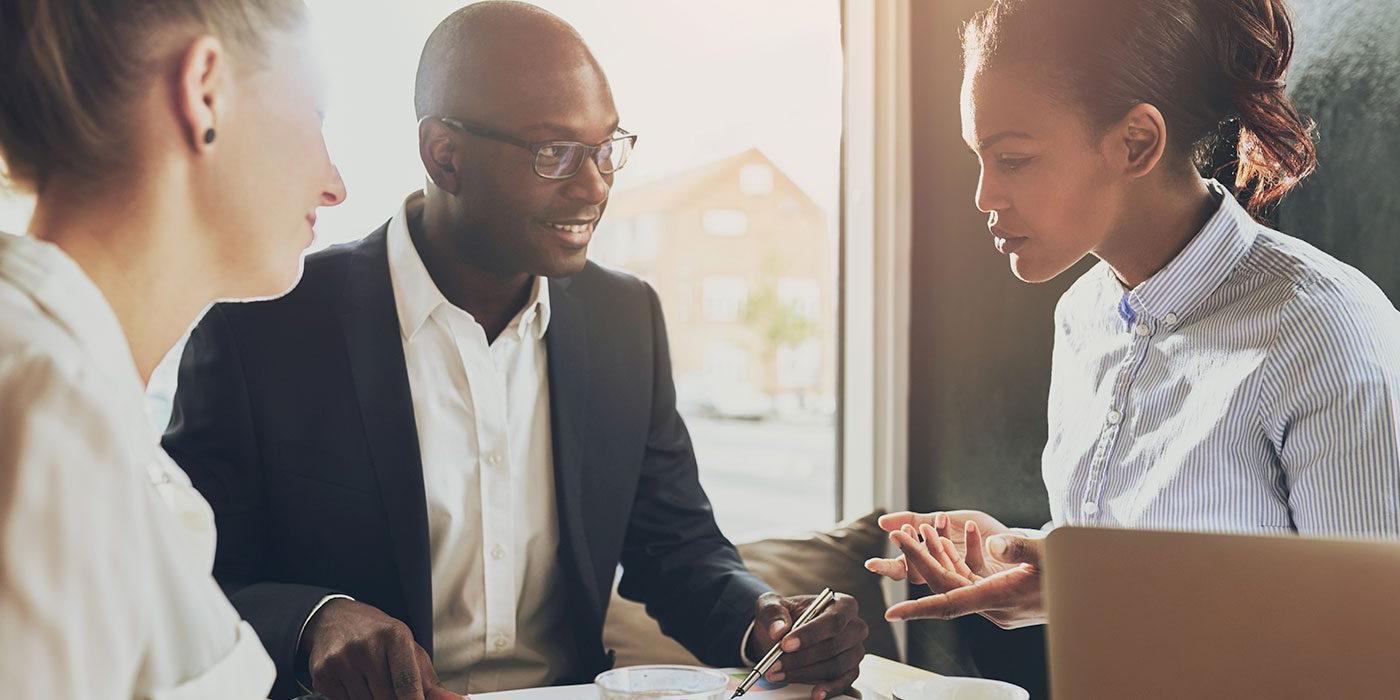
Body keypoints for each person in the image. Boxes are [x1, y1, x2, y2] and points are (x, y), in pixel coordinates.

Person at [161, 3, 868, 699]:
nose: (594, 187)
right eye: (553, 152)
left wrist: (767, 620)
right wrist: (315, 622)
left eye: (605, 149)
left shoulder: (626, 320)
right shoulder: (265, 324)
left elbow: (676, 547)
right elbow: (184, 579)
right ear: (445, 155)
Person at [867, 0, 1400, 629]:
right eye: (978, 159)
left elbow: (1374, 634)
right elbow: (1141, 577)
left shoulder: (1324, 331)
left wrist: (1087, 589)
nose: (984, 195)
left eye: (1013, 159)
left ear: (1136, 142)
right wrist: (1037, 567)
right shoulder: (1083, 317)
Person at [0, 0, 346, 697]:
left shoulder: (83, 403)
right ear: (204, 90)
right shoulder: (47, 412)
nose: (336, 185)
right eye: (314, 115)